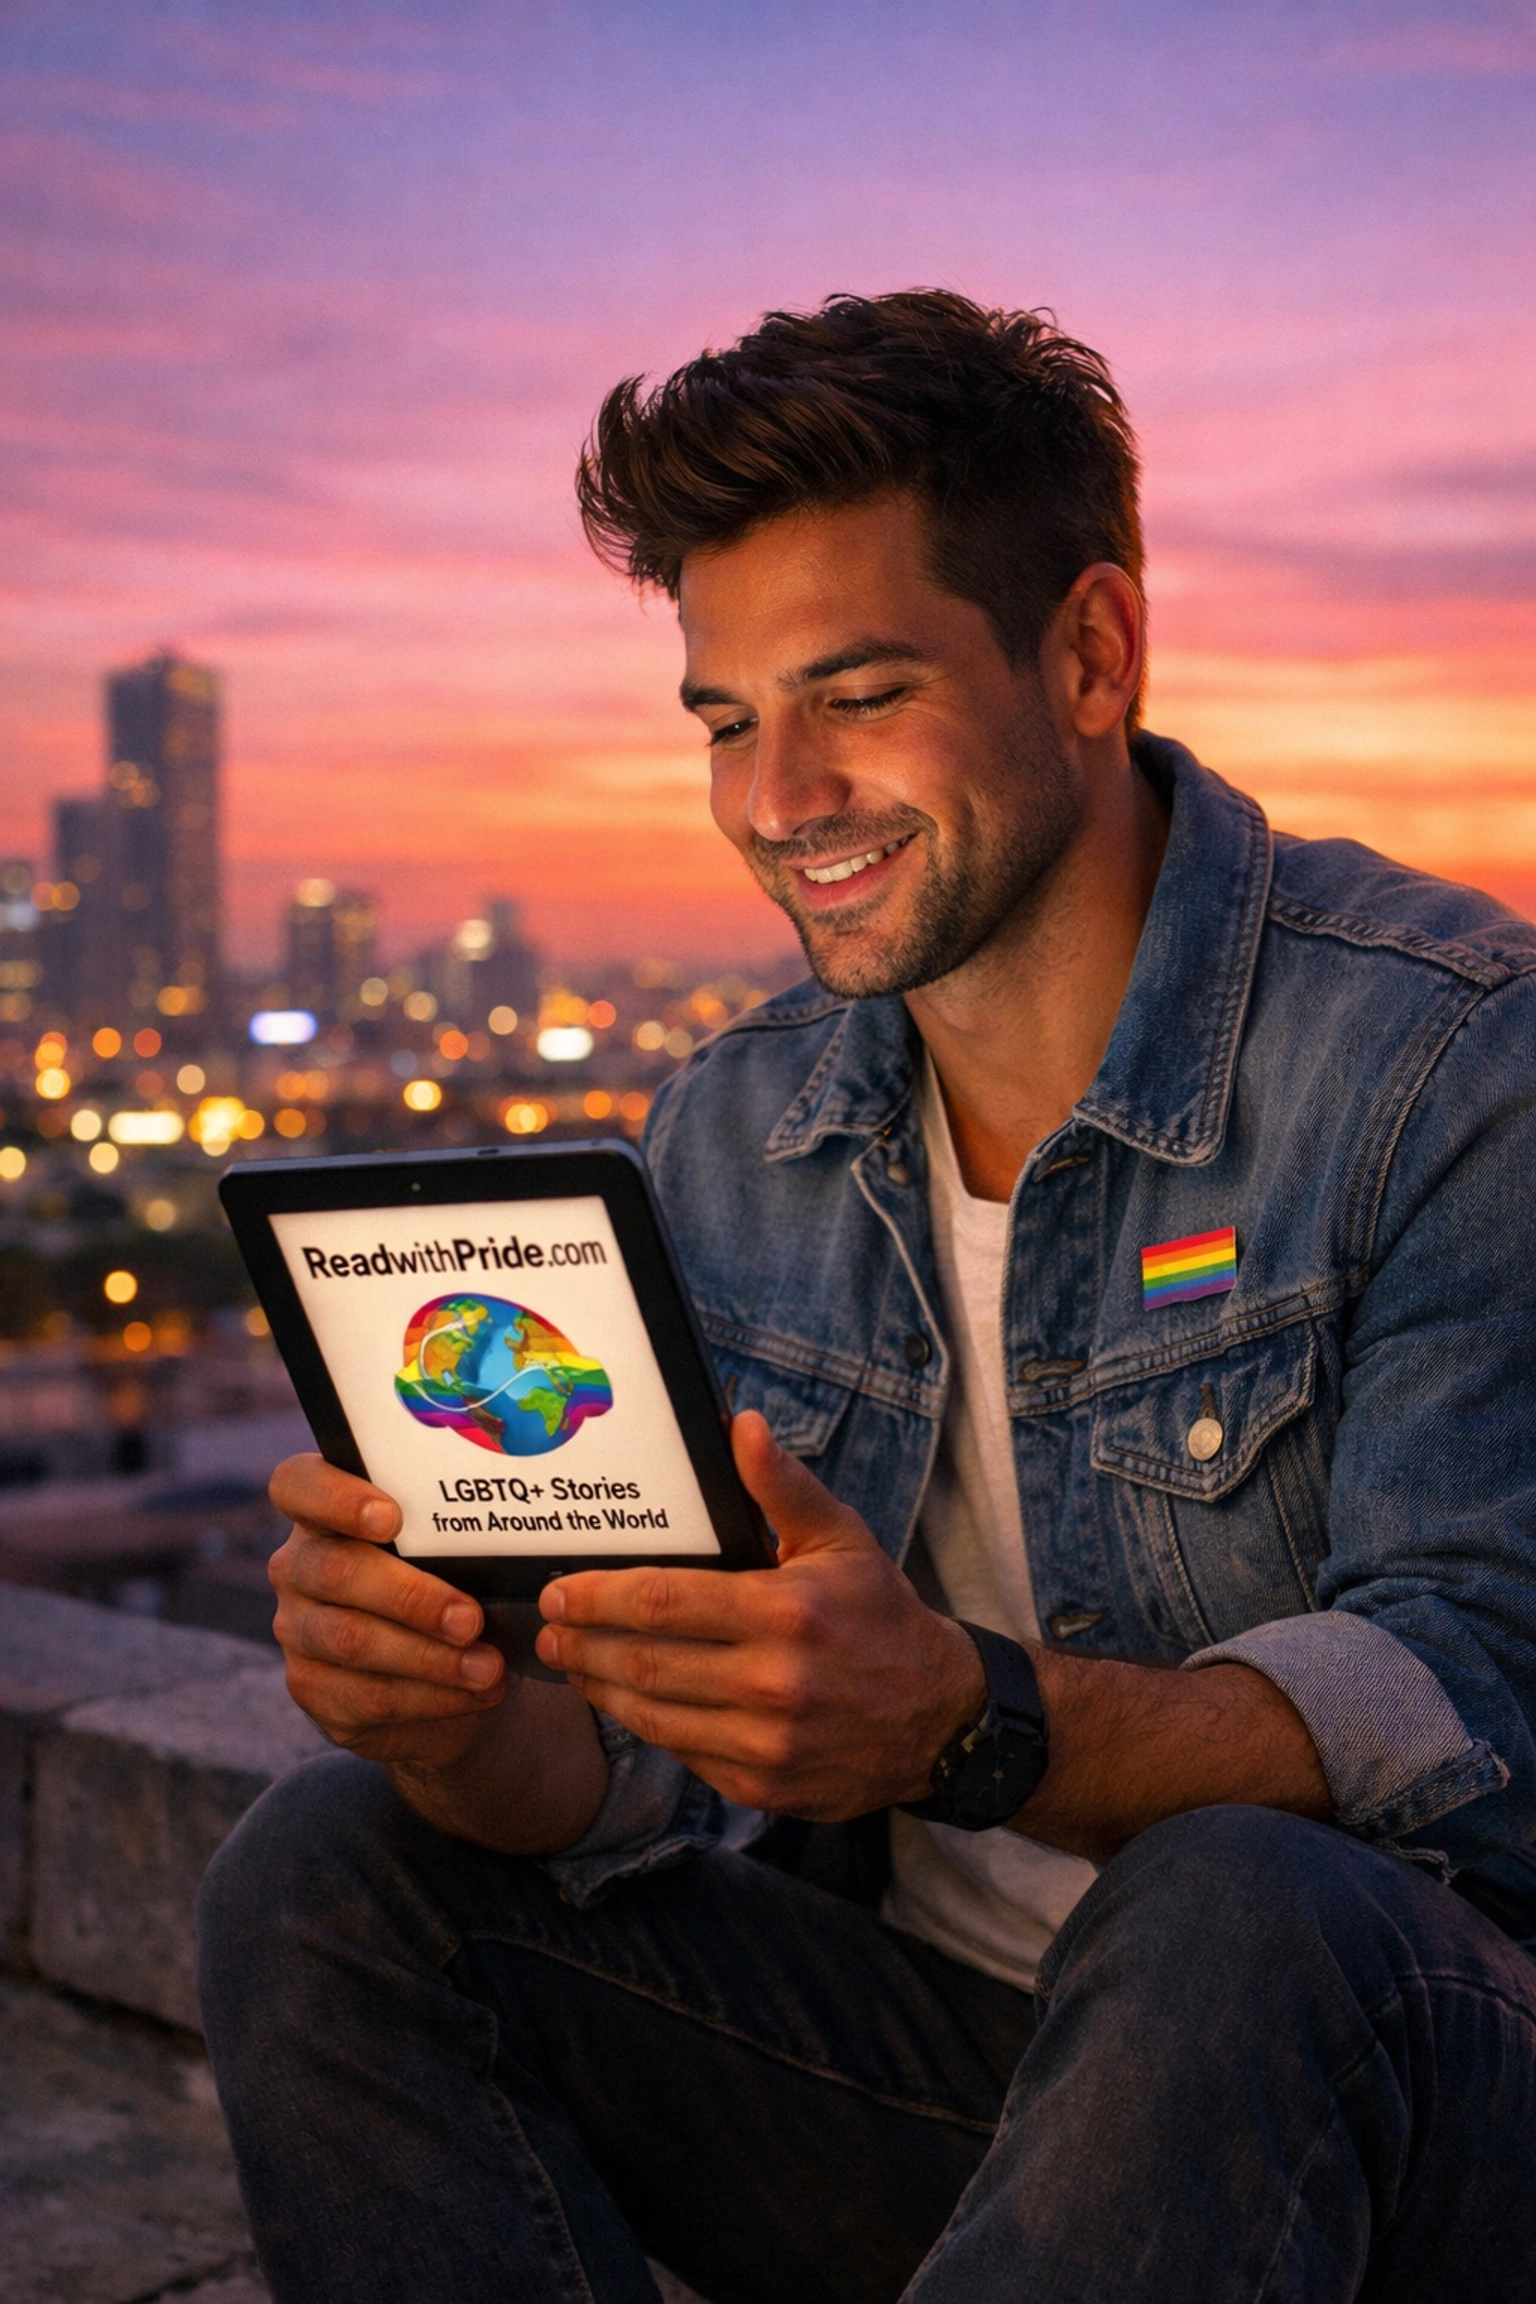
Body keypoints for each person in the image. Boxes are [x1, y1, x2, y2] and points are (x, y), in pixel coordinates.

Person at [199, 292, 1536, 2304]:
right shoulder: (737, 1133)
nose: (774, 796)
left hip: (1403, 2105)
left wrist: (962, 1724)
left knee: (1232, 1908)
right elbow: (650, 1775)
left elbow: (1478, 1696)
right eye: (729, 719)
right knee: (327, 1864)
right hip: (961, 2097)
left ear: (1088, 653)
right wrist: (463, 1723)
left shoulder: (1445, 1060)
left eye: (858, 692)